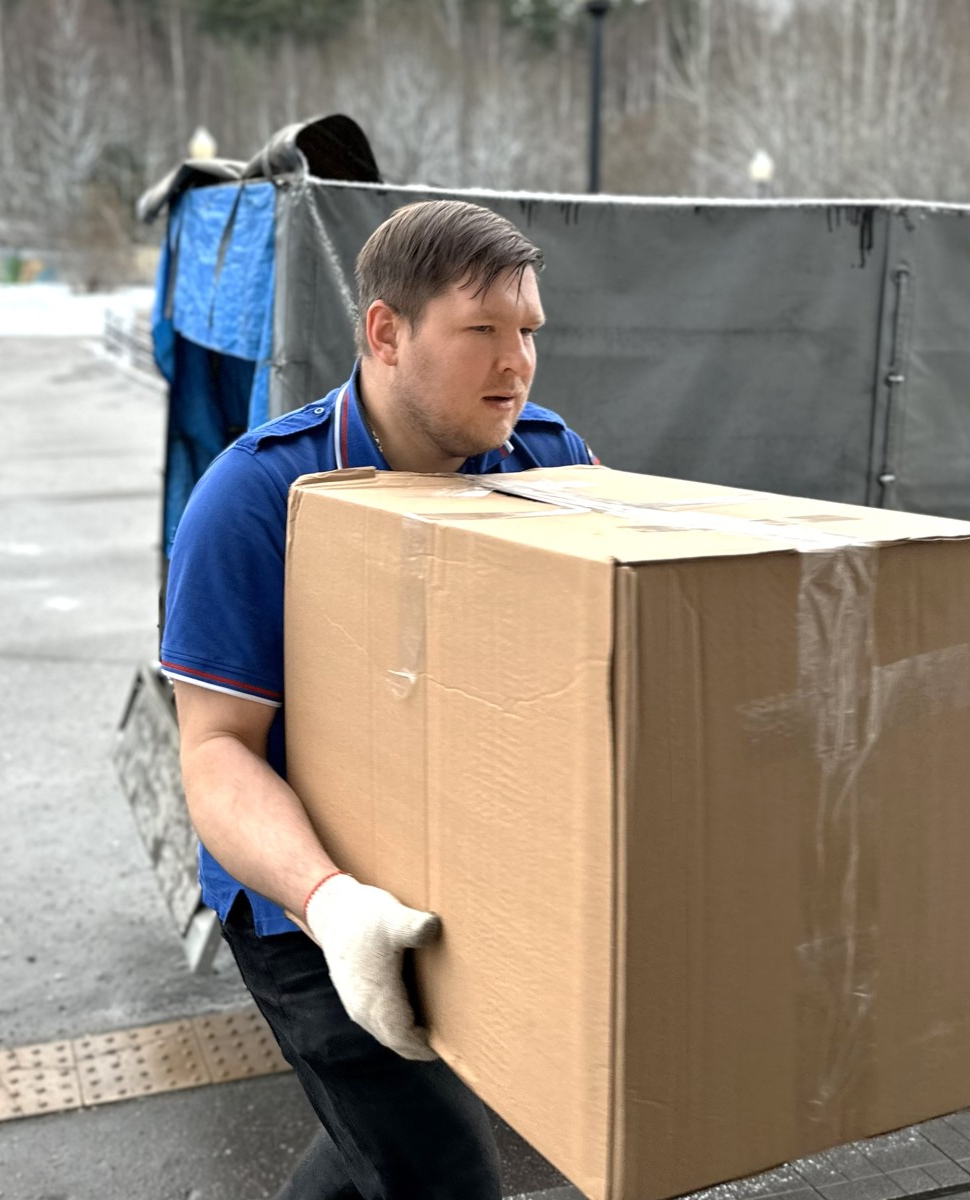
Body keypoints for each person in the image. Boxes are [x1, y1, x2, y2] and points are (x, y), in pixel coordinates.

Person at [160, 199, 599, 1199]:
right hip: (306, 905)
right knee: (444, 1175)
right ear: (387, 332)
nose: (517, 364)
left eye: (529, 331)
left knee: (386, 1152)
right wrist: (330, 902)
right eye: (481, 330)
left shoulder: (551, 464)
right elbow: (216, 752)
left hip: (466, 877)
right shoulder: (257, 498)